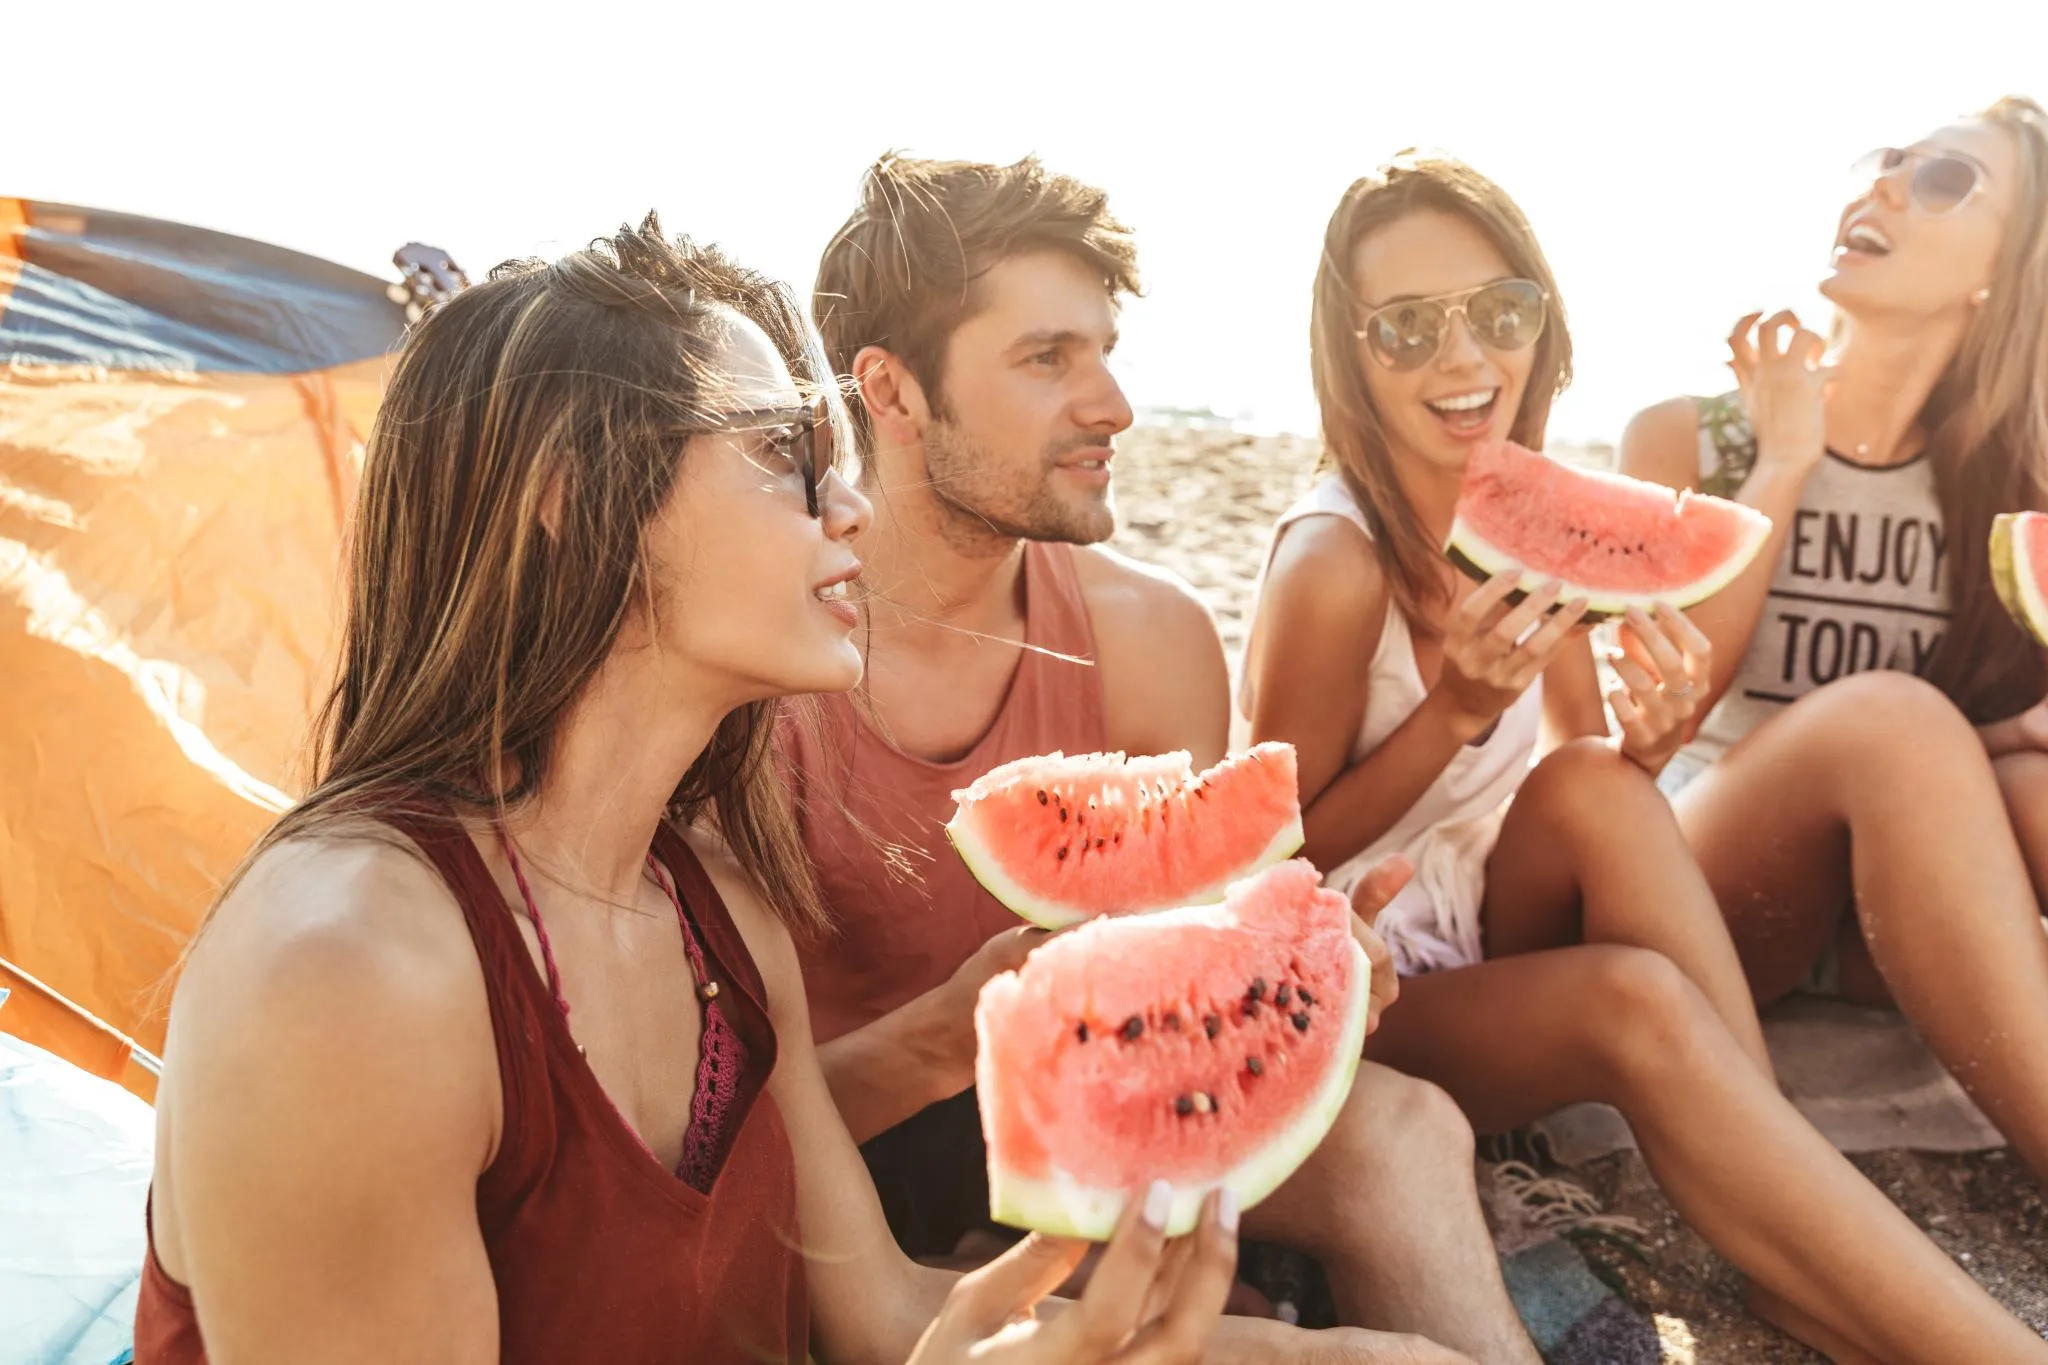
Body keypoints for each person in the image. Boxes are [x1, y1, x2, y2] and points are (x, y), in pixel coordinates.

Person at [132, 217, 1255, 1365]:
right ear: (576, 499)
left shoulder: (716, 913)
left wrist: (1324, 1357)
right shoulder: (350, 975)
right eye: (782, 452)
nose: (852, 506)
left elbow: (888, 1321)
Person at [1239, 151, 2048, 1365]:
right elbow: (1268, 866)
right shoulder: (1332, 563)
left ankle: (1779, 1205)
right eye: (1405, 330)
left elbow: (1573, 756)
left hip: (1494, 914)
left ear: (1541, 316)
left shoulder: (1532, 512)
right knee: (1634, 1000)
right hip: (1369, 980)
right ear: (1348, 353)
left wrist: (1650, 741)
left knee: (1597, 786)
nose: (1463, 361)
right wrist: (1450, 712)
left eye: (1497, 313)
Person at [784, 152, 1534, 1363]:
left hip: (1066, 1117)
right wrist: (935, 1038)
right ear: (891, 389)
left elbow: (1187, 968)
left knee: (1406, 1130)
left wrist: (1304, 982)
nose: (1113, 406)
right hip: (806, 1163)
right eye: (1046, 359)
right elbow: (666, 1114)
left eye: (1103, 351)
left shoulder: (1148, 634)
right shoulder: (761, 654)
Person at [1618, 94, 2048, 1192]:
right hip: (1706, 889)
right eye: (1889, 158)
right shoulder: (1687, 439)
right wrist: (1782, 459)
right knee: (1890, 720)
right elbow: (1633, 732)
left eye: (1945, 180)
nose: (1885, 184)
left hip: (1891, 928)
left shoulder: (2008, 492)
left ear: (1996, 274)